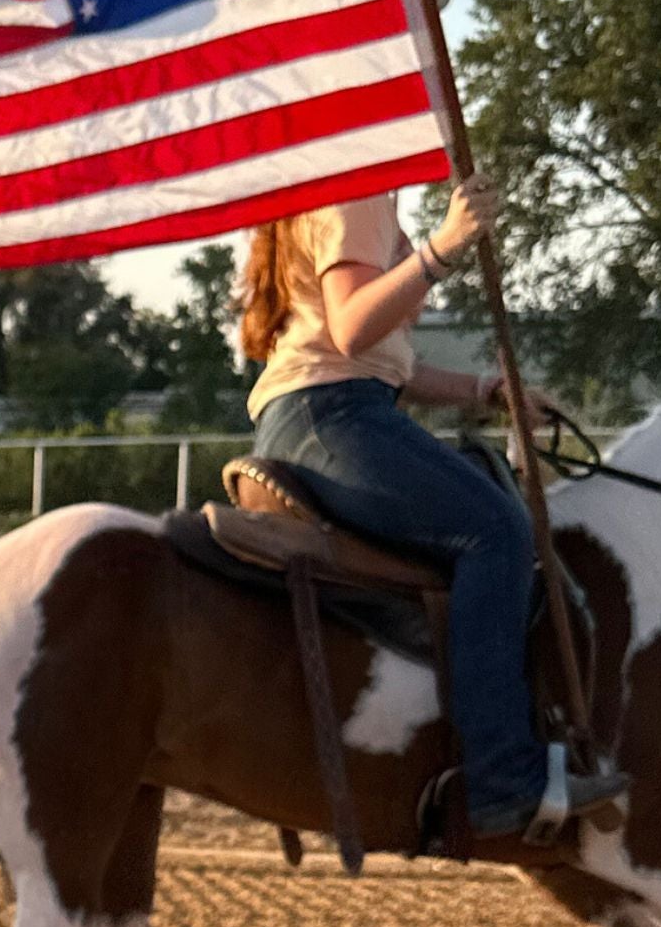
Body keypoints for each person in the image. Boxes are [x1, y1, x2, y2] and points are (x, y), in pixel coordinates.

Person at [240, 174, 626, 837]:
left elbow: (385, 362)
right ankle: (502, 779)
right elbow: (354, 328)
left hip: (325, 411)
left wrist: (485, 389)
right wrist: (445, 246)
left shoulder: (339, 194)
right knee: (496, 534)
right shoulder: (357, 189)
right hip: (334, 417)